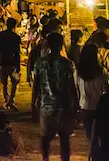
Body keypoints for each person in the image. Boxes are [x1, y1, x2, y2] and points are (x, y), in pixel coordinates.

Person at [33, 32, 78, 161]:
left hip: (46, 104)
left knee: (45, 137)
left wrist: (34, 102)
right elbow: (72, 86)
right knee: (64, 138)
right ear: (61, 45)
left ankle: (45, 158)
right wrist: (75, 104)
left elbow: (36, 85)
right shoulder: (67, 63)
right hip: (64, 105)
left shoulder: (40, 62)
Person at [76, 44, 109, 152]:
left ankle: (93, 153)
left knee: (90, 137)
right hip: (100, 107)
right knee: (100, 135)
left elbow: (76, 89)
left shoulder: (79, 72)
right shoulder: (101, 71)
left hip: (85, 107)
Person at [0, 17, 21, 111]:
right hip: (13, 62)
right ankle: (11, 100)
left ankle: (6, 100)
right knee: (15, 83)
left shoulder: (0, 35)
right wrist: (18, 66)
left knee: (4, 83)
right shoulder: (16, 37)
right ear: (14, 26)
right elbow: (17, 52)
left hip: (3, 61)